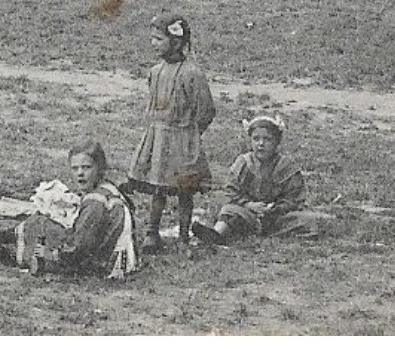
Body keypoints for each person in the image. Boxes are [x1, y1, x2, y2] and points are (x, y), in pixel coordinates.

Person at [127, 13, 215, 251]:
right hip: (159, 138)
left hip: (183, 139)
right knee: (158, 187)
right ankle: (152, 233)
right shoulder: (155, 72)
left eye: (158, 39)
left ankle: (183, 237)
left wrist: (190, 134)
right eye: (152, 39)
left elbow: (206, 109)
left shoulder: (191, 74)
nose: (153, 44)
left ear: (175, 42)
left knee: (184, 190)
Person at [193, 116, 330, 244]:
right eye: (256, 139)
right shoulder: (243, 163)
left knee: (309, 220)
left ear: (277, 142)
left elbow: (294, 198)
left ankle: (260, 231)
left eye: (267, 139)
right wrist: (249, 205)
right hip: (247, 213)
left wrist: (273, 208)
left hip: (277, 216)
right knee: (229, 211)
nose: (261, 144)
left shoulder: (287, 167)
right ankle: (217, 235)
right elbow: (231, 192)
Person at [19, 141, 137, 278]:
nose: (80, 173)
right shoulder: (109, 188)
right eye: (75, 168)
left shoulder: (95, 201)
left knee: (39, 224)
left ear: (100, 168)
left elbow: (79, 247)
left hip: (103, 264)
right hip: (120, 257)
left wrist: (51, 254)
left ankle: (0, 247)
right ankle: (2, 240)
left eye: (86, 167)